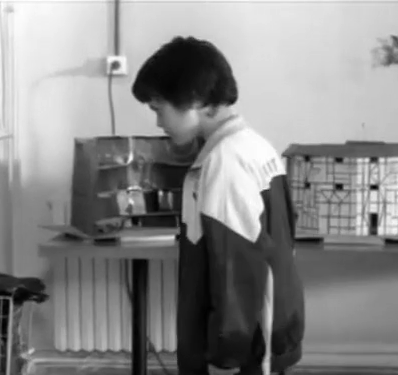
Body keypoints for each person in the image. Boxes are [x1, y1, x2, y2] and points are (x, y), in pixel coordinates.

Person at [131, 36, 305, 375]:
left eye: (158, 109)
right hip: (267, 329)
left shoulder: (224, 161)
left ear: (194, 99)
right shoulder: (256, 146)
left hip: (243, 346)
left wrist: (226, 355)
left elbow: (234, 269)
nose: (158, 123)